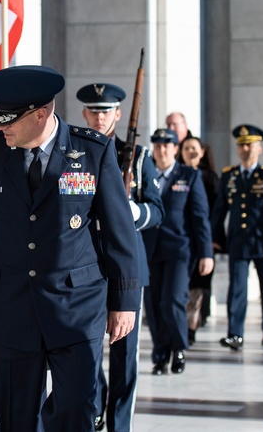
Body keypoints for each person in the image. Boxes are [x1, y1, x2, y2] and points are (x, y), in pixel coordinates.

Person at [0, 65, 141, 432]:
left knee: (75, 412)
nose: (1, 127)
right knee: (15, 417)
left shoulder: (93, 150)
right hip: (10, 306)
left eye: (10, 119)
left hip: (76, 308)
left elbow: (119, 231)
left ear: (40, 113)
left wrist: (124, 302)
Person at [76, 82, 163, 431]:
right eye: (93, 111)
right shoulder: (76, 152)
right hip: (89, 266)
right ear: (83, 113)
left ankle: (120, 423)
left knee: (126, 357)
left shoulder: (139, 157)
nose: (99, 117)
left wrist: (131, 212)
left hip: (128, 269)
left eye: (106, 111)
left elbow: (157, 211)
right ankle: (96, 408)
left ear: (118, 113)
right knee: (86, 347)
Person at [211, 124, 263, 351]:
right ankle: (235, 334)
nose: (245, 149)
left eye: (250, 145)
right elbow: (219, 211)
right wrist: (215, 237)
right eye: (242, 145)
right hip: (238, 240)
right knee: (236, 287)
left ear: (259, 148)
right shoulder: (229, 176)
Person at [143, 129, 213, 375]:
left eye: (167, 146)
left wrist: (206, 253)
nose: (162, 150)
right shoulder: (145, 174)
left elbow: (200, 217)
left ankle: (179, 348)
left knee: (172, 301)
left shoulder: (188, 176)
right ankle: (161, 355)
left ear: (175, 149)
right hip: (150, 250)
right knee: (153, 306)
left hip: (179, 250)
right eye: (158, 145)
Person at [179, 135, 219, 342]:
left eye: (195, 148)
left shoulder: (209, 178)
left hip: (202, 239)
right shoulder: (175, 175)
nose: (191, 152)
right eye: (187, 148)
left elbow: (216, 212)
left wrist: (213, 239)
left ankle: (191, 327)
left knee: (197, 287)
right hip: (181, 240)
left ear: (202, 152)